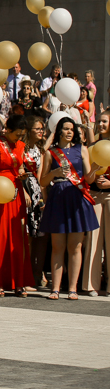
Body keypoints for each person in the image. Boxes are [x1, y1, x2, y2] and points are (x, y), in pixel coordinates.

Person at [39, 117, 100, 300]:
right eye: (66, 129)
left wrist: (95, 170)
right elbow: (42, 181)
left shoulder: (81, 150)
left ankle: (72, 288)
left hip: (77, 199)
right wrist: (54, 173)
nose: (69, 132)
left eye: (72, 129)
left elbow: (88, 180)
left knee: (76, 246)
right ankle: (55, 288)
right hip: (58, 197)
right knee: (58, 246)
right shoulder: (51, 153)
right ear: (59, 131)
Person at [0, 114, 35, 297]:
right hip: (0, 192)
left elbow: (19, 167)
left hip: (17, 191)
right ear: (8, 130)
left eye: (22, 135)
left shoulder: (20, 146)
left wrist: (22, 176)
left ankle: (17, 281)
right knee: (0, 234)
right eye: (17, 135)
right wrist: (0, 187)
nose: (19, 138)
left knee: (17, 237)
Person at [83, 109, 110, 295]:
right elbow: (88, 176)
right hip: (95, 195)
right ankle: (91, 285)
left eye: (105, 121)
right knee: (93, 240)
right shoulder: (92, 145)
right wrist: (93, 174)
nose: (101, 124)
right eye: (99, 121)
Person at [23, 116, 50, 289]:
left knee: (41, 235)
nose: (41, 132)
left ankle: (37, 273)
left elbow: (42, 176)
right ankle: (25, 275)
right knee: (28, 236)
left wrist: (45, 197)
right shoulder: (21, 149)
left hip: (39, 191)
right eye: (38, 129)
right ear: (29, 130)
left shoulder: (41, 150)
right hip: (25, 189)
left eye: (42, 129)